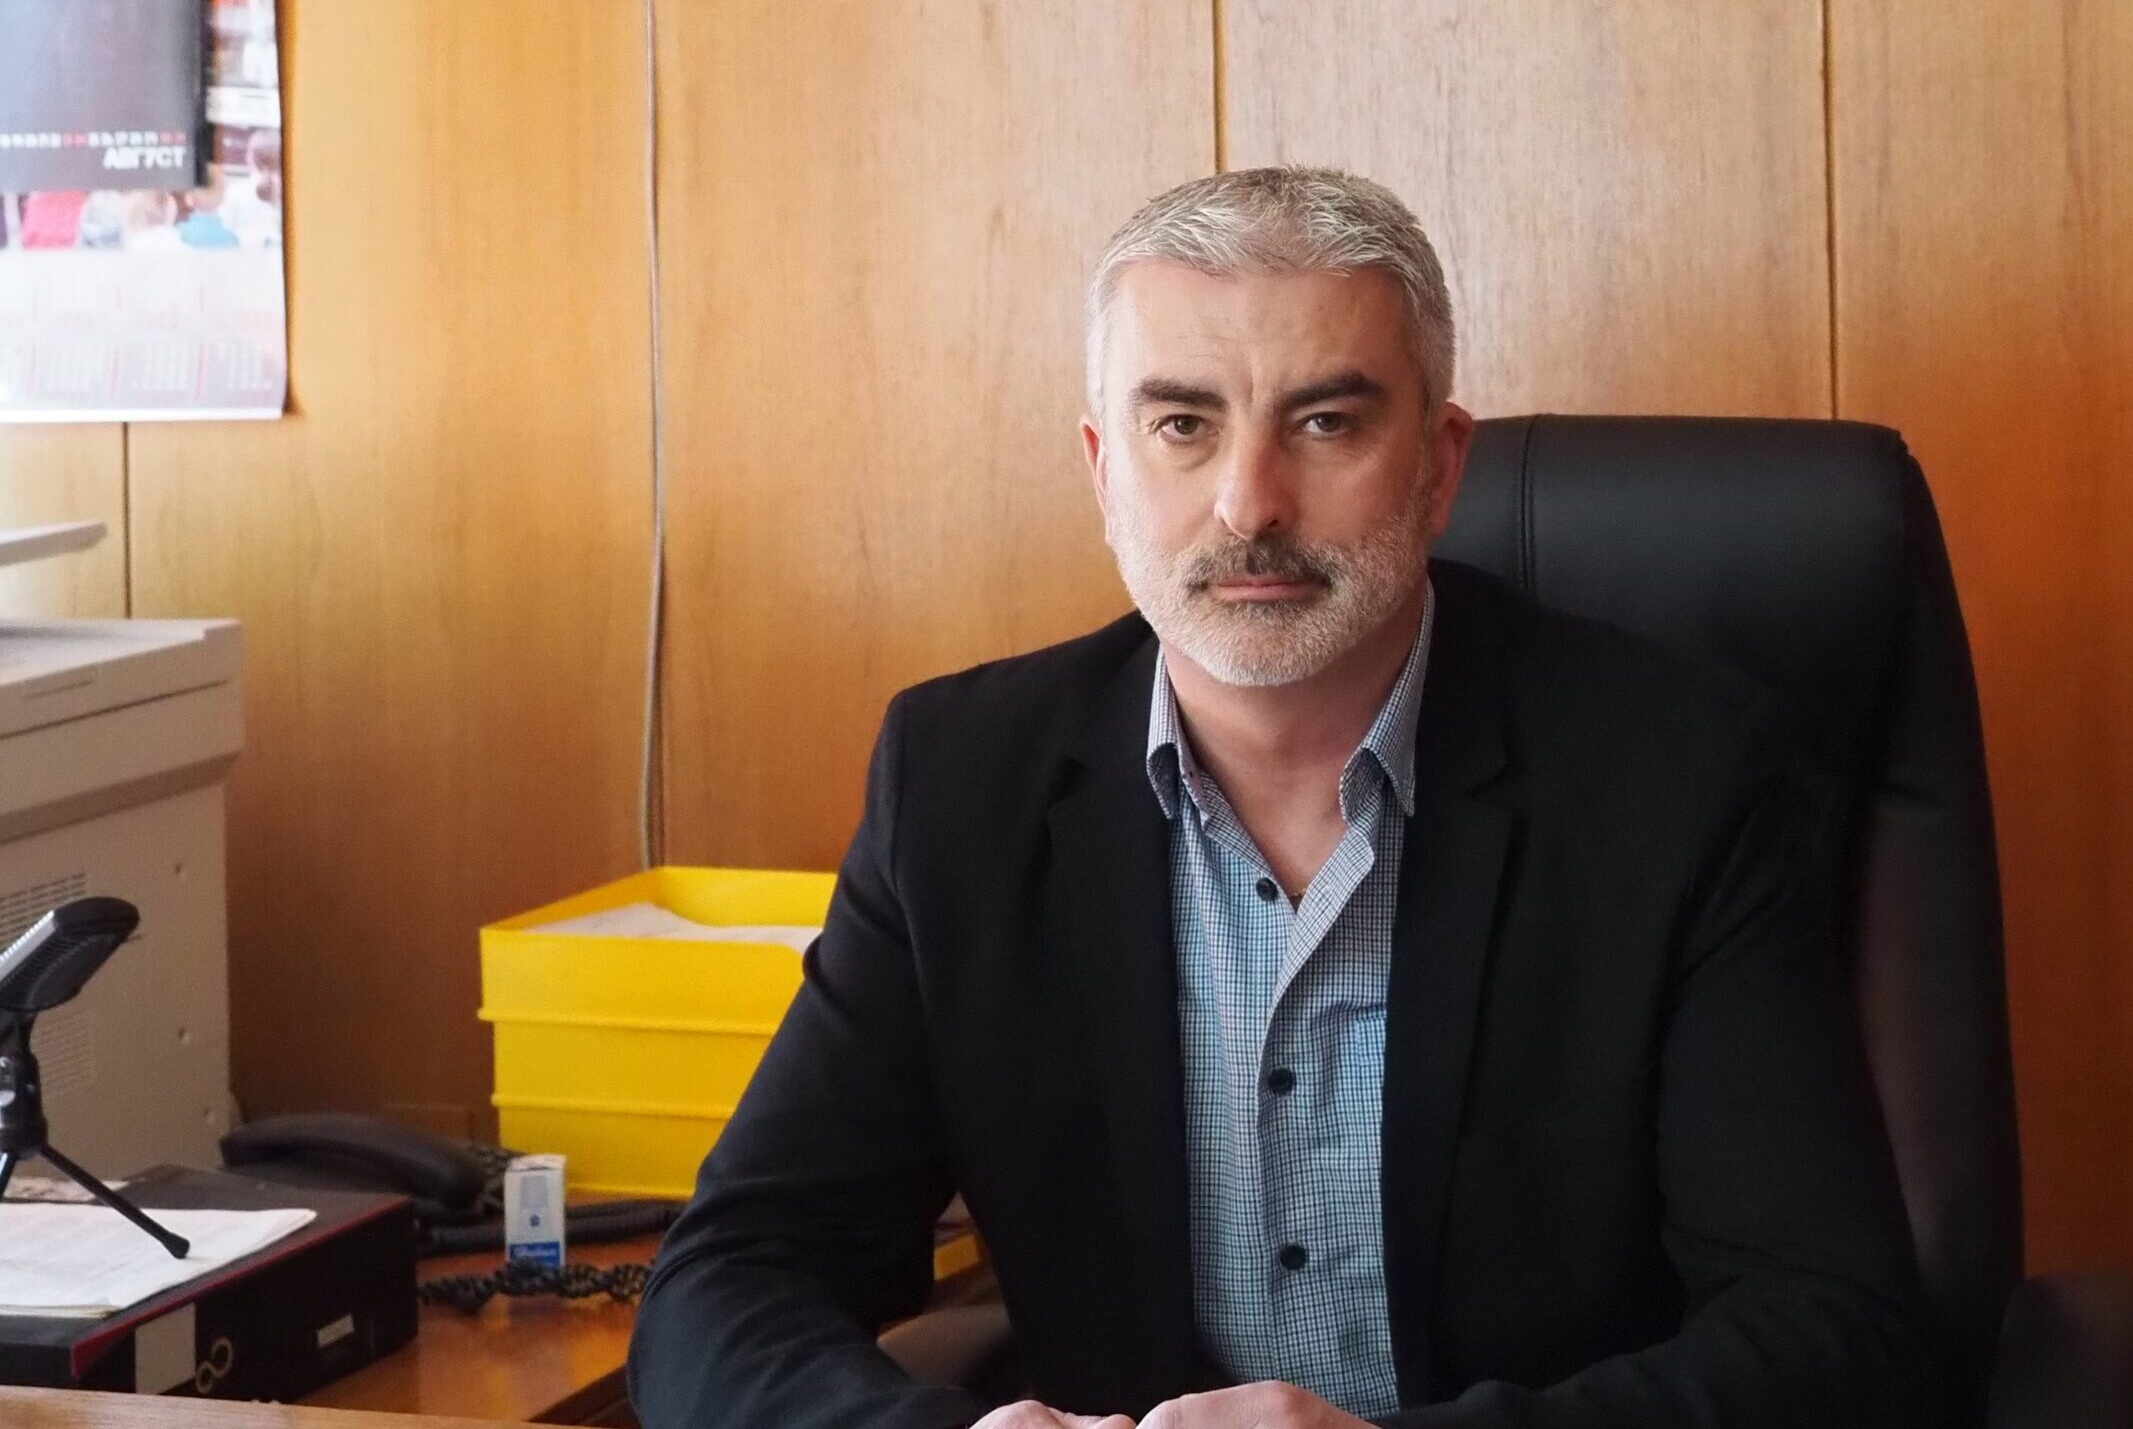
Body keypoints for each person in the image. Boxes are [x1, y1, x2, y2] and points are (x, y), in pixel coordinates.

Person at [628, 167, 1941, 1429]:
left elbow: (1831, 1332)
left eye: (1325, 422)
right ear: (1102, 467)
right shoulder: (963, 784)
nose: (1249, 504)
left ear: (1439, 465)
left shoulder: (1679, 780)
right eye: (1182, 425)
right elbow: (728, 1281)